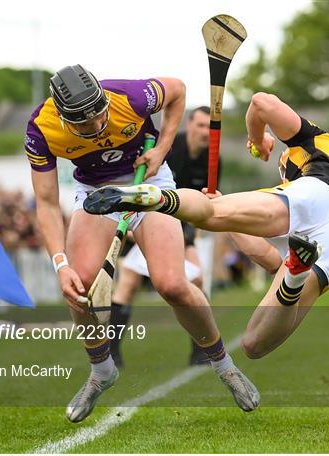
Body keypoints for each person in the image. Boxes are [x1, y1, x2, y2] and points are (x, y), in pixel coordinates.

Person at [24, 65, 260, 423]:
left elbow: (178, 89)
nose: (98, 127)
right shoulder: (41, 129)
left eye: (100, 116)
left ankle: (224, 365)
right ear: (64, 117)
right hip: (96, 193)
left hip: (150, 184)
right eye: (86, 126)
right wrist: (60, 264)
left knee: (172, 285)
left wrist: (162, 148)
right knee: (80, 287)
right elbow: (45, 203)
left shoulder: (130, 97)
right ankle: (102, 370)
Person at [84, 91, 329, 361]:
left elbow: (262, 102)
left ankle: (157, 197)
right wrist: (239, 228)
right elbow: (271, 261)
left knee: (210, 212)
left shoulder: (311, 144)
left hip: (315, 192)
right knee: (254, 344)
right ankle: (295, 279)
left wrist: (258, 136)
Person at [110, 106, 217, 367]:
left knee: (197, 280)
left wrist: (194, 235)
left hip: (183, 227)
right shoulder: (171, 148)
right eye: (200, 126)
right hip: (148, 220)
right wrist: (137, 227)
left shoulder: (213, 157)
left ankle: (201, 349)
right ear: (189, 125)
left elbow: (209, 200)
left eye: (209, 127)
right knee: (128, 283)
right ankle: (111, 351)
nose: (205, 132)